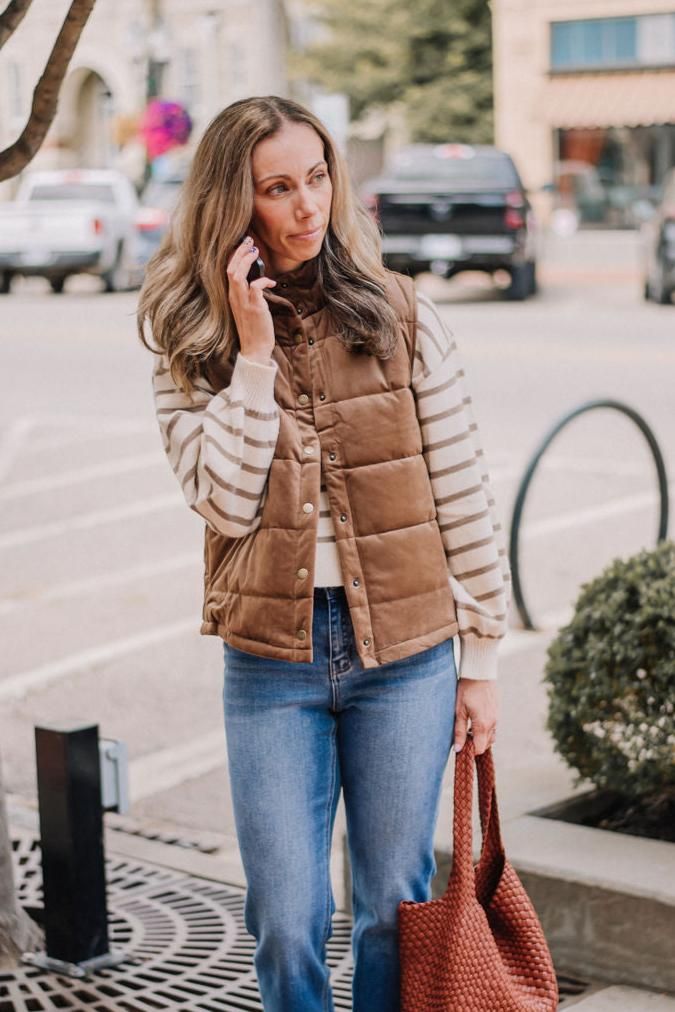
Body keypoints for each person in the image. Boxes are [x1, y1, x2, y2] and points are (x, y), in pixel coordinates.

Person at [138, 95, 511, 1012]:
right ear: (235, 204)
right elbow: (222, 500)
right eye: (277, 187)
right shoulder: (190, 337)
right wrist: (254, 358)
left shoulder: (397, 312)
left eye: (317, 177)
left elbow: (462, 487)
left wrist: (482, 658)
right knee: (288, 915)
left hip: (407, 657)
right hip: (273, 662)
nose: (307, 205)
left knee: (393, 904)